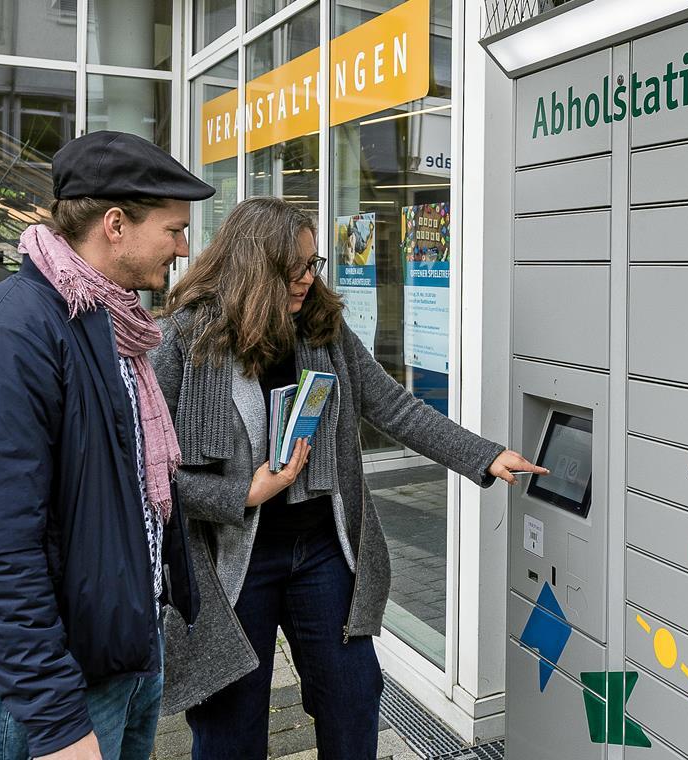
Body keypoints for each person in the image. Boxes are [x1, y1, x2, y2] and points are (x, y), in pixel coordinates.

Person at [150, 196, 547, 760]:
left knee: (354, 696)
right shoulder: (187, 339)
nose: (310, 280)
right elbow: (150, 470)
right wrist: (244, 492)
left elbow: (394, 406)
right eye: (298, 269)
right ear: (255, 269)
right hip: (231, 563)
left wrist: (483, 456)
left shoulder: (321, 330)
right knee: (231, 725)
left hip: (319, 551)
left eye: (315, 265)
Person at [0, 131, 214, 760]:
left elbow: (125, 491)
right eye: (174, 230)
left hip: (124, 657)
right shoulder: (6, 338)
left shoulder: (112, 324)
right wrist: (58, 723)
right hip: (51, 700)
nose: (185, 248)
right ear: (115, 225)